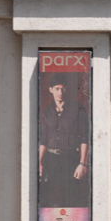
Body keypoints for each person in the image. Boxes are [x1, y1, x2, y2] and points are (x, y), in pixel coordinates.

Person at [39, 73, 89, 207]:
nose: (60, 92)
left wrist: (82, 164)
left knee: (72, 197)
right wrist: (39, 162)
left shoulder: (78, 109)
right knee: (45, 197)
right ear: (50, 89)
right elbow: (43, 139)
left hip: (70, 159)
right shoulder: (47, 111)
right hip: (50, 159)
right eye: (57, 88)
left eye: (63, 88)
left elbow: (84, 138)